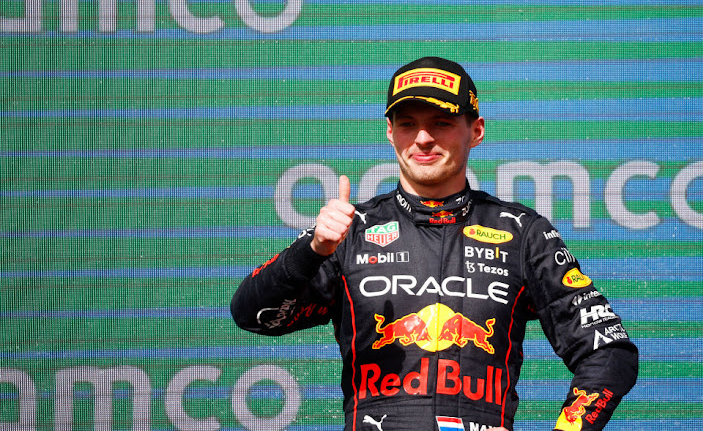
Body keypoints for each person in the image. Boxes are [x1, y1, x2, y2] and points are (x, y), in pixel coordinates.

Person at [231, 57, 638, 431]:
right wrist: (312, 249)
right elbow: (253, 315)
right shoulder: (349, 231)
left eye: (441, 123)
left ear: (475, 130)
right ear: (390, 133)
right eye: (408, 123)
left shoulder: (521, 232)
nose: (422, 138)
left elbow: (609, 352)